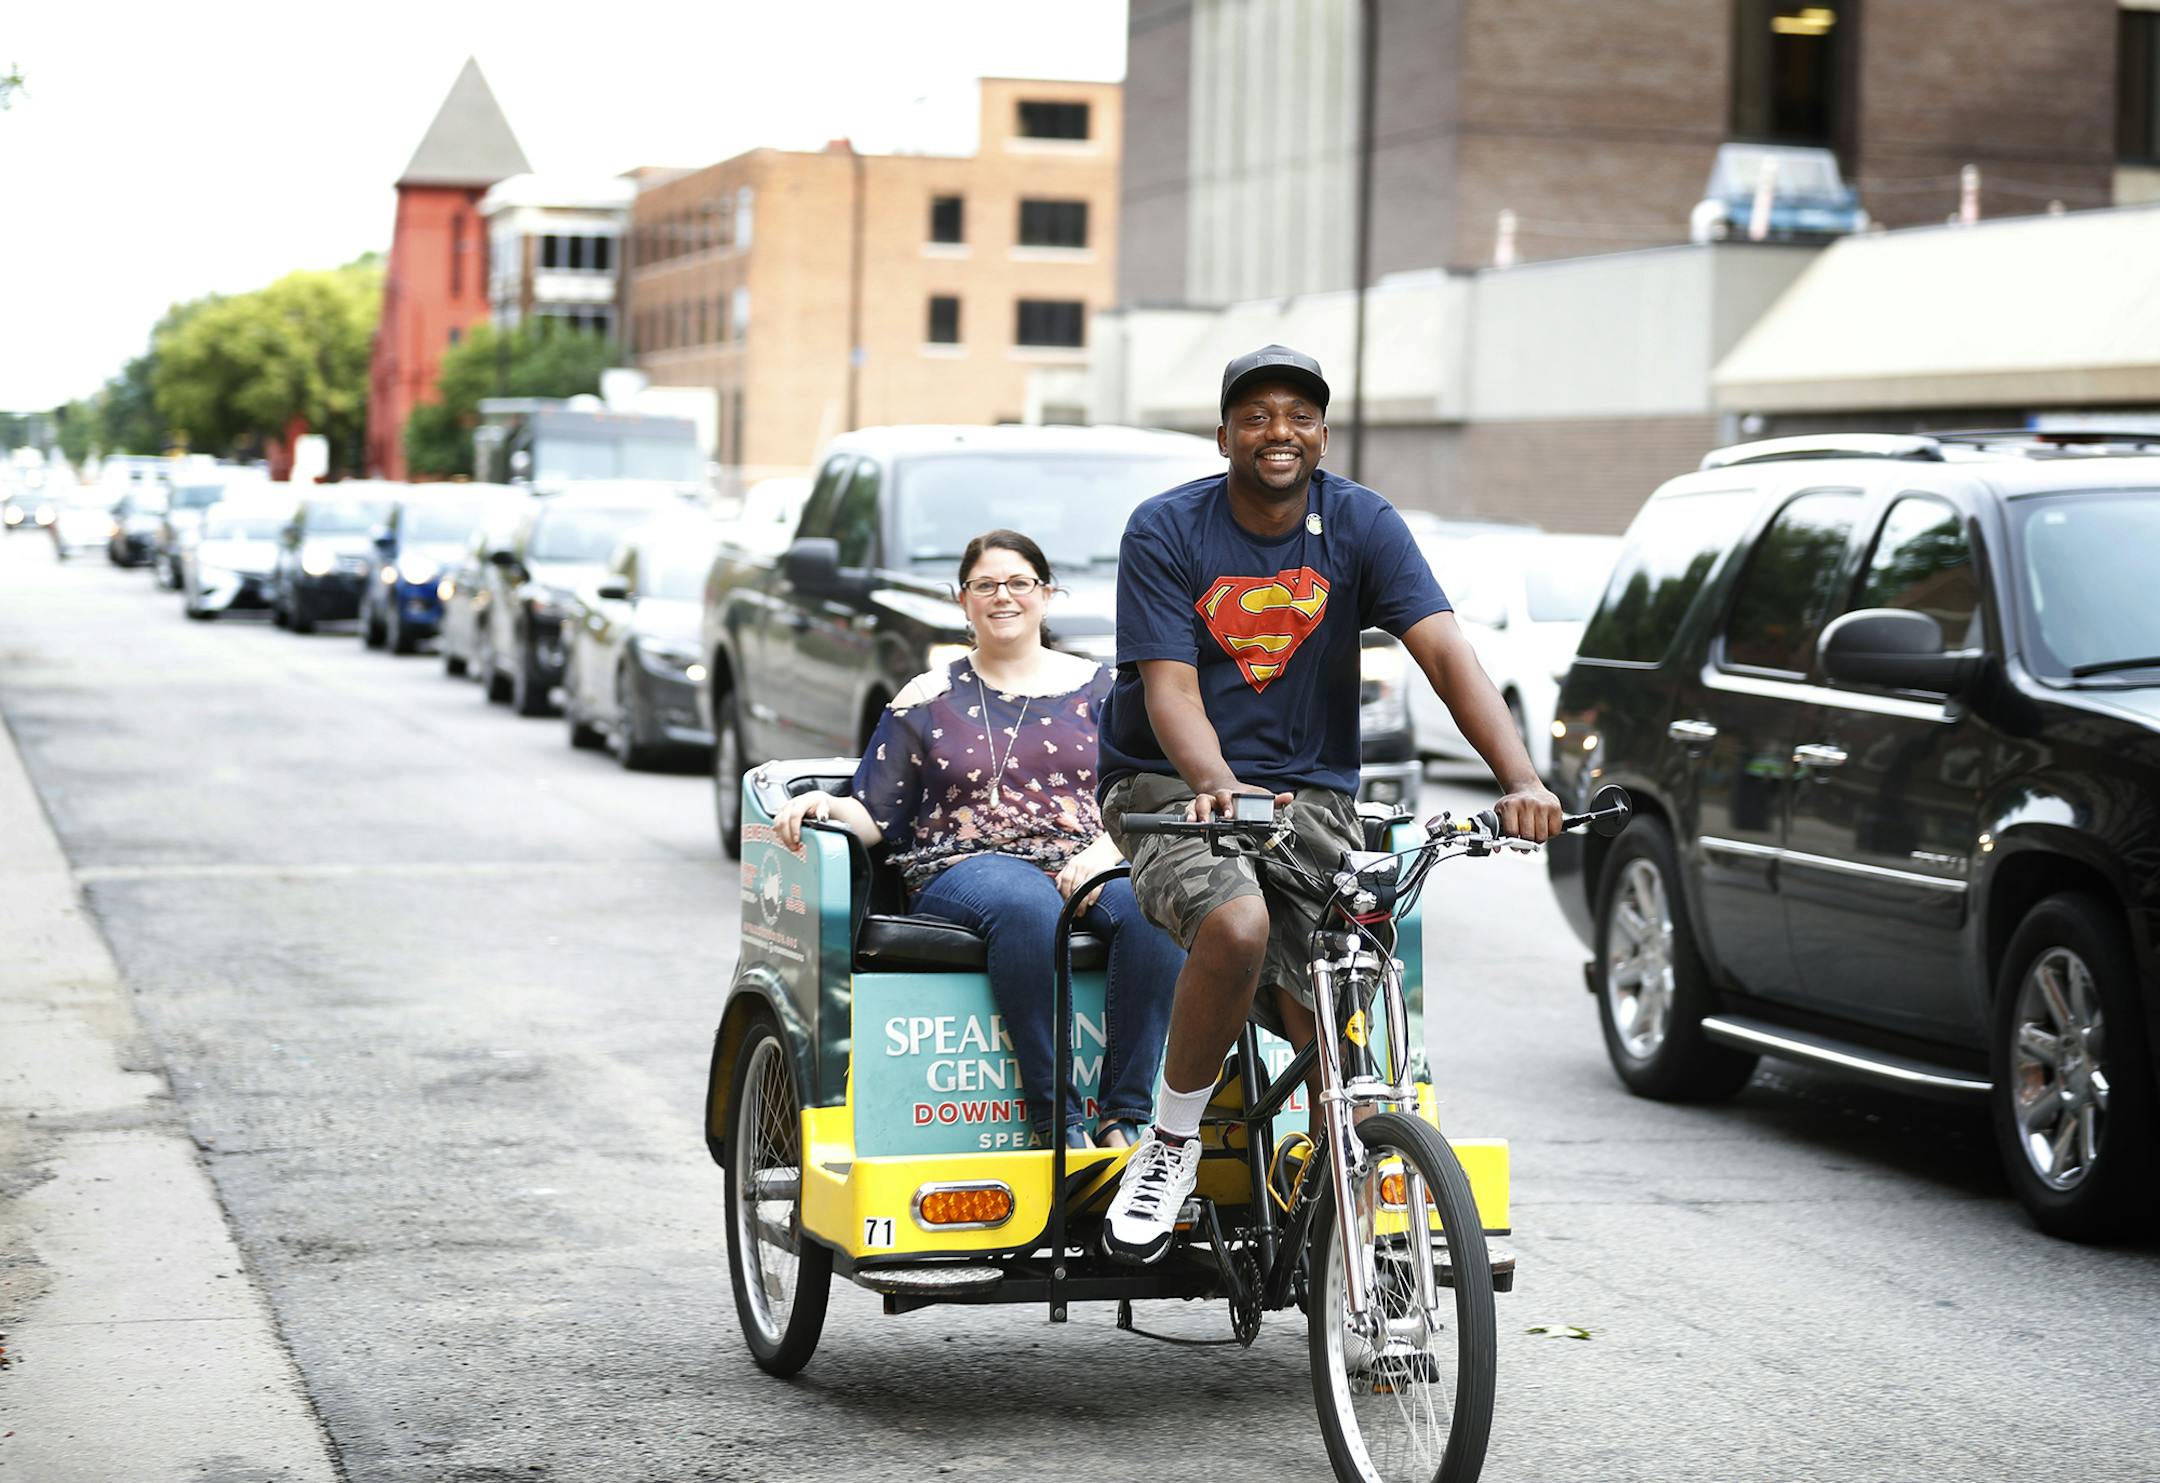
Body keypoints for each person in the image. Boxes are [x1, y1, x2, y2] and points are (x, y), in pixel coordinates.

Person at [1096, 344, 1563, 1263]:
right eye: (1258, 415)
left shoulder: (1360, 522)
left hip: (1309, 792)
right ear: (1224, 432)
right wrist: (1215, 783)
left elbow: (1444, 653)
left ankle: (1351, 1216)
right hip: (1166, 783)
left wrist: (1521, 780)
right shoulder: (1165, 529)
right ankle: (1172, 1142)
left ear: (1321, 430)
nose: (1281, 432)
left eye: (1300, 415)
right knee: (1234, 927)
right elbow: (1171, 691)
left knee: (1341, 979)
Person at [772, 529, 1184, 1151]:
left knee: (1154, 907)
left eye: (1019, 583)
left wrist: (1110, 850)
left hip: (1086, 856)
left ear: (1046, 595)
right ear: (962, 601)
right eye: (985, 585)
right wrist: (824, 805)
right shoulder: (929, 695)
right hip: (964, 867)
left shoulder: (1106, 689)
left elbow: (1148, 795)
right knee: (1028, 906)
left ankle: (1125, 1116)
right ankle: (1059, 1121)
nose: (1003, 597)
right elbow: (874, 813)